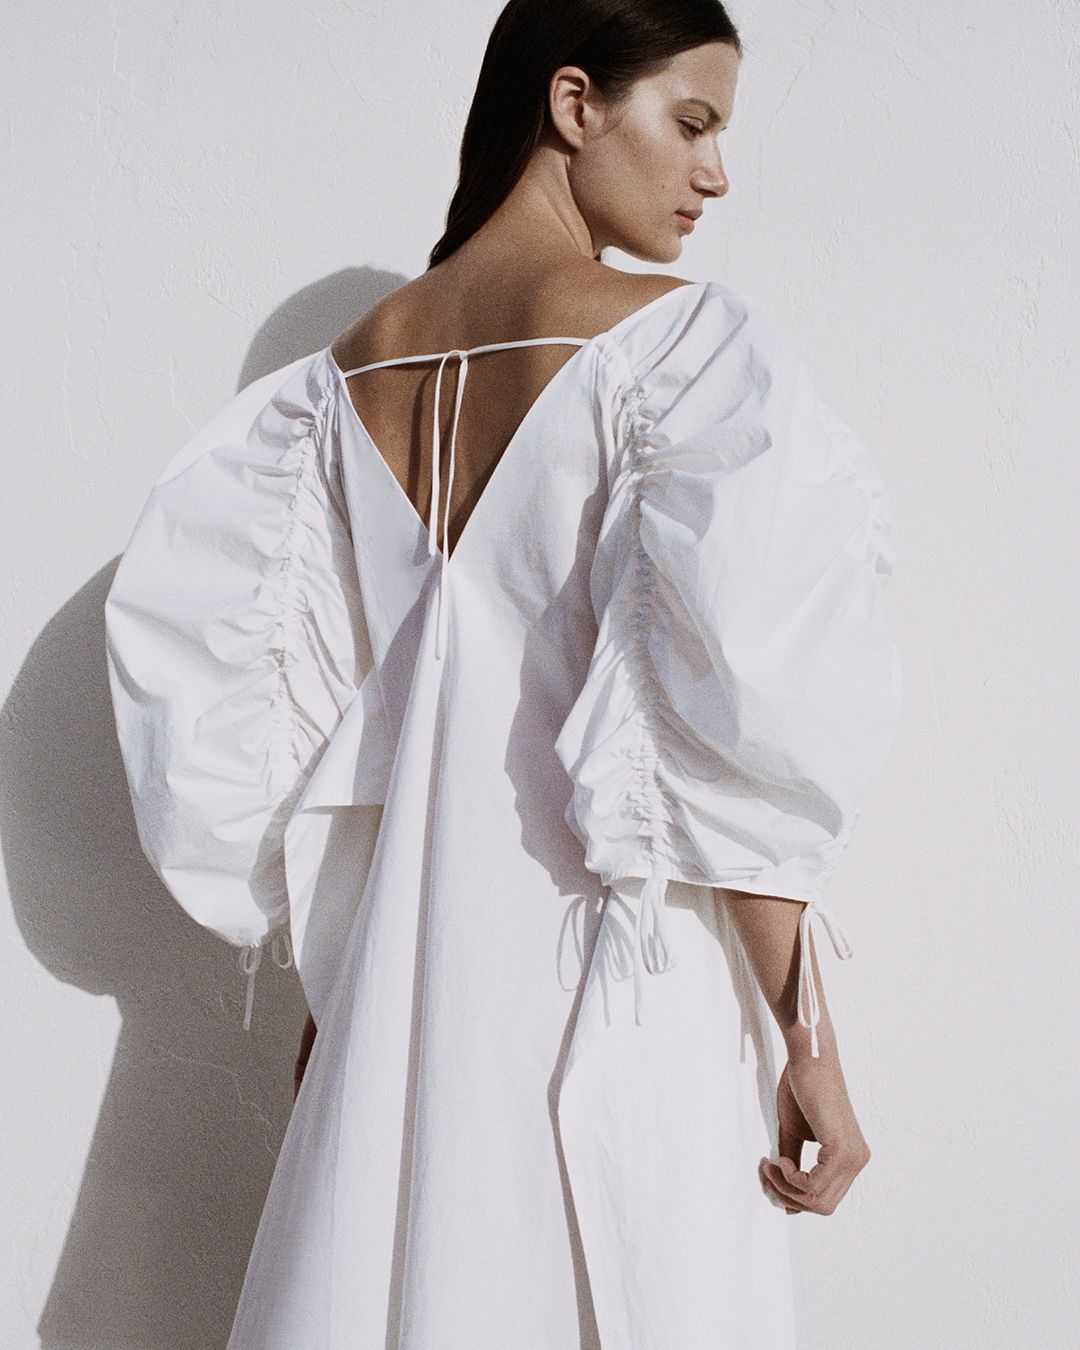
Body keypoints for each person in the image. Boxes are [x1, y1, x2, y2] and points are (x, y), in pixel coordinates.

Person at [104, 0, 903, 1345]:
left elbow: (312, 757)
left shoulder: (326, 393)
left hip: (403, 1007)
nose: (718, 174)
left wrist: (339, 1007)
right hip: (612, 974)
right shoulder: (675, 349)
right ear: (575, 102)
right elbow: (729, 725)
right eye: (693, 123)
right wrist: (807, 1031)